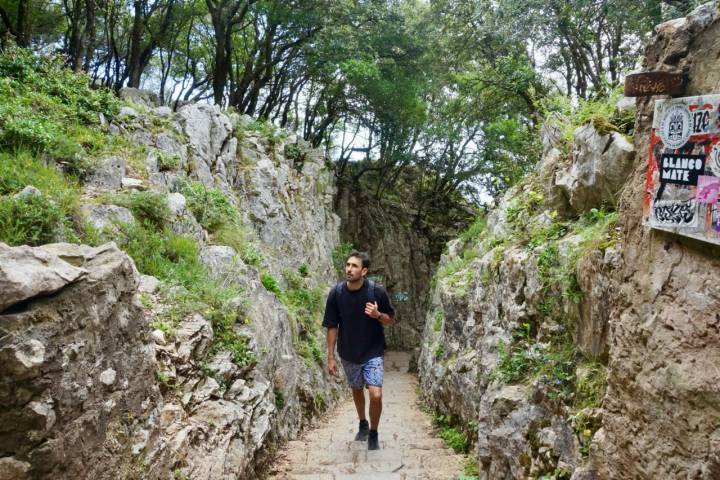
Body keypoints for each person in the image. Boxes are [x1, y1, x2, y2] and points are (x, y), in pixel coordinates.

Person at [322, 251, 395, 450]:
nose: (349, 269)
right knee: (356, 389)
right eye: (347, 265)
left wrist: (377, 314)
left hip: (373, 350)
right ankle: (363, 422)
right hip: (349, 352)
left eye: (354, 266)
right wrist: (330, 357)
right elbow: (332, 326)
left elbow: (390, 319)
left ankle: (374, 432)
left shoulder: (376, 292)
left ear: (364, 271)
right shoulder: (336, 293)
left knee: (376, 394)